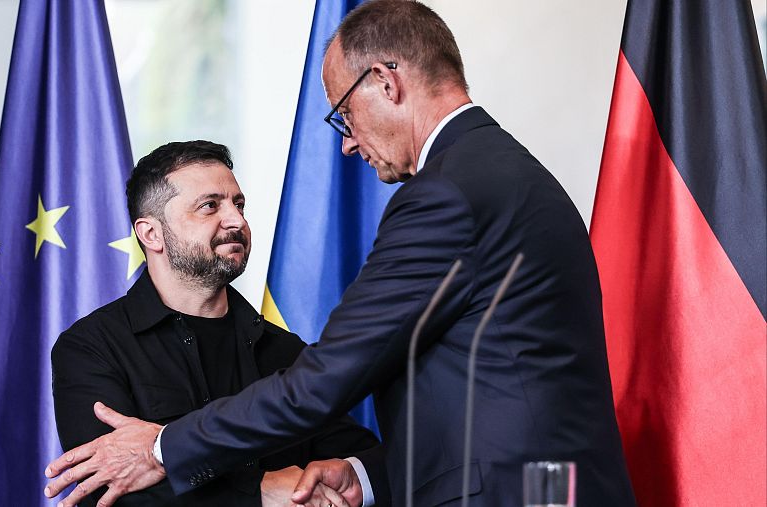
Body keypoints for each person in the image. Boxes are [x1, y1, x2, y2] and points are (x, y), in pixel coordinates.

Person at [45, 2, 637, 506]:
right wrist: (355, 476)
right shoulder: (504, 170)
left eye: (344, 114)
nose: (349, 142)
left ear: (386, 80)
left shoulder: (448, 193)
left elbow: (325, 381)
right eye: (207, 205)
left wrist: (159, 446)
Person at [48, 140, 379, 506]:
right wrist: (260, 492)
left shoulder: (287, 352)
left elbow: (359, 461)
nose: (236, 220)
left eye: (238, 204)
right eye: (209, 206)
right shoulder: (92, 347)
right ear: (151, 234)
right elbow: (113, 494)